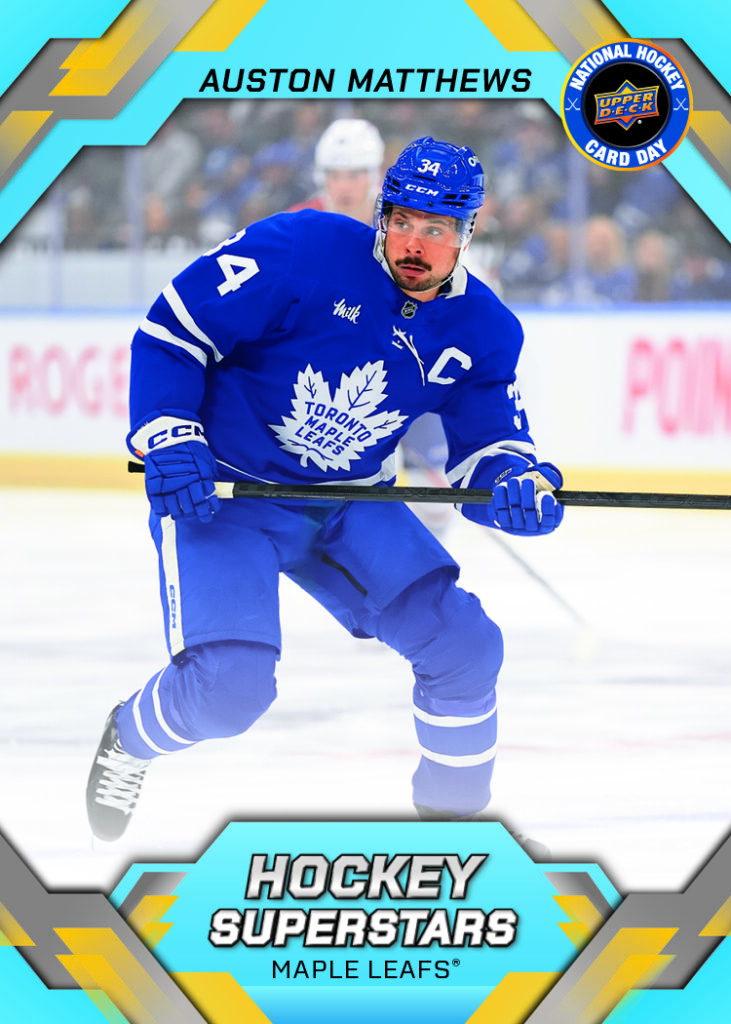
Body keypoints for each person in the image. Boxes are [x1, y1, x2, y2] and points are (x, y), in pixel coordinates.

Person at [86, 137, 564, 843]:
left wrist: (517, 484)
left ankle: (455, 834)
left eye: (436, 229)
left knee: (464, 645)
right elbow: (173, 332)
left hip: (348, 503)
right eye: (401, 221)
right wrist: (168, 433)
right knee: (229, 691)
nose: (413, 243)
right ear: (381, 213)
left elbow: (488, 450)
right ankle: (130, 736)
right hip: (228, 496)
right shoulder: (300, 248)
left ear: (469, 231)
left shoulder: (485, 330)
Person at [287, 117, 385, 225]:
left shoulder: (396, 218)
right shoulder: (298, 221)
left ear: (372, 177)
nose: (344, 187)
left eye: (353, 176)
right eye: (335, 176)